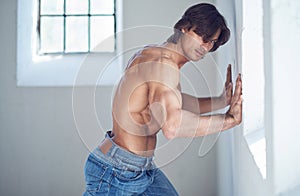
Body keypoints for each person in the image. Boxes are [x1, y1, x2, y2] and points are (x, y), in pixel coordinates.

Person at [83, 3, 242, 196]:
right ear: (184, 28)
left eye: (212, 42)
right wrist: (229, 120)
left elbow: (173, 103)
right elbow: (172, 126)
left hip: (135, 166)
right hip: (117, 173)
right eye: (203, 36)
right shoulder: (165, 65)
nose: (206, 46)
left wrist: (220, 101)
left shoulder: (155, 54)